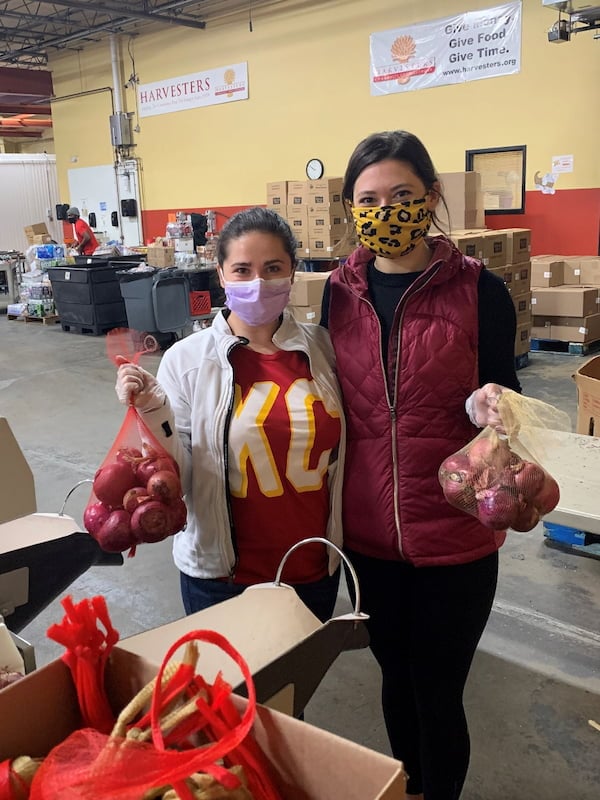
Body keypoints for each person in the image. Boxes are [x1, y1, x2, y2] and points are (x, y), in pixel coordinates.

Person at [320, 130, 521, 800]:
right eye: (369, 199)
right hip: (371, 537)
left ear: (431, 196)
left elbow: (503, 397)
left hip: (455, 537)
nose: (386, 210)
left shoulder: (480, 291)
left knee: (438, 690)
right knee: (395, 680)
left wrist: (497, 408)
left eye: (402, 195)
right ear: (351, 207)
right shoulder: (336, 296)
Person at [116, 206, 345, 623]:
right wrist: (153, 409)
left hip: (313, 573)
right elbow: (177, 479)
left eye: (272, 267)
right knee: (230, 689)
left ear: (292, 272)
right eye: (242, 269)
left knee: (297, 686)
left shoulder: (325, 351)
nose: (258, 282)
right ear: (221, 275)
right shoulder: (186, 361)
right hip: (221, 582)